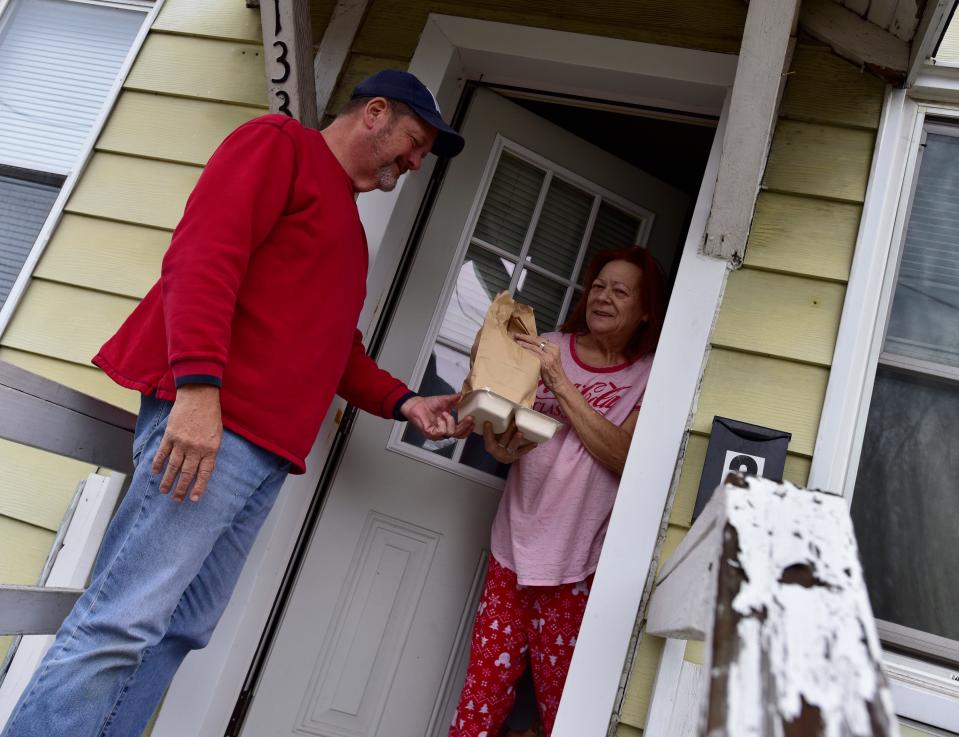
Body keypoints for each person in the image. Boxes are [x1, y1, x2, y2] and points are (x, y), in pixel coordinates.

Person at [2, 70, 472, 737]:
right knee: (124, 616)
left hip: (265, 455)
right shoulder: (277, 145)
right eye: (415, 141)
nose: (415, 162)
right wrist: (197, 393)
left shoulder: (349, 232)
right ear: (374, 112)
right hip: (213, 428)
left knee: (179, 629)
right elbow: (202, 259)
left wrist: (404, 403)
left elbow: (338, 350)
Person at [448, 246, 666, 737]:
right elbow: (501, 432)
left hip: (578, 566)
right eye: (599, 286)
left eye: (620, 290)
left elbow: (625, 457)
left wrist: (562, 384)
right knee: (479, 705)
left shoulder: (649, 375)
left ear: (646, 309)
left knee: (565, 713)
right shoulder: (545, 345)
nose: (603, 297)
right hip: (512, 551)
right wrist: (500, 446)